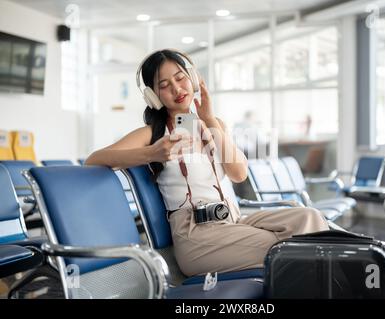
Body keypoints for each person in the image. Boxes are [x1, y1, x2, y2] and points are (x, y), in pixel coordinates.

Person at [85, 49, 329, 277]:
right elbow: (94, 160)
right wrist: (152, 154)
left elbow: (239, 173)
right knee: (290, 248)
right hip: (197, 235)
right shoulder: (151, 134)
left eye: (180, 78)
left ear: (192, 78)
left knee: (310, 218)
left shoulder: (214, 124)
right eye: (164, 85)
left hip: (234, 220)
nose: (177, 88)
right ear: (153, 96)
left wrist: (209, 120)